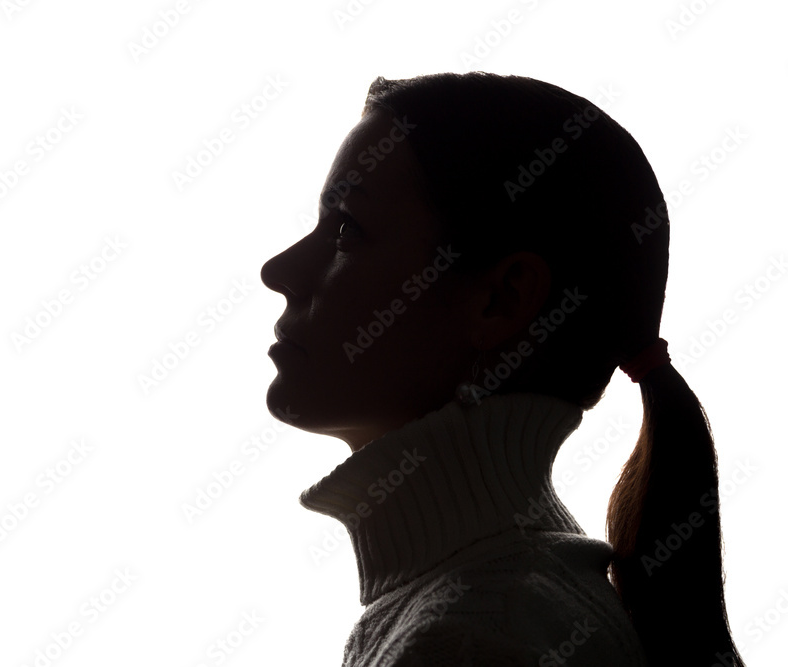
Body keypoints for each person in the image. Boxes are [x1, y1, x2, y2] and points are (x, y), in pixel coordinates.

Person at [260, 72, 745, 666]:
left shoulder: (465, 640)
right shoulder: (506, 598)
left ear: (502, 300)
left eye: (345, 229)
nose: (278, 270)